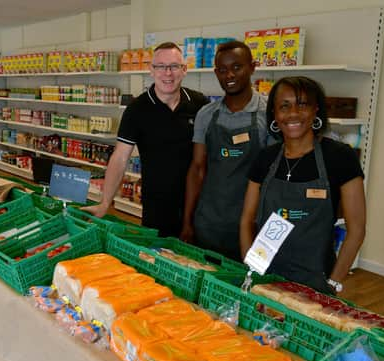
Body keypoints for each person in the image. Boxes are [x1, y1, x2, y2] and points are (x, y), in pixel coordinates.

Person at [240, 76, 366, 294]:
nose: (293, 113)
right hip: (266, 279)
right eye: (284, 106)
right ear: (274, 115)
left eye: (302, 104)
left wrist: (333, 283)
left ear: (316, 109)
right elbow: (246, 219)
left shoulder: (339, 157)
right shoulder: (266, 159)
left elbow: (357, 229)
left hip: (316, 281)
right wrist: (250, 270)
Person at [83, 42, 208, 237]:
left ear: (184, 70)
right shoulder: (137, 109)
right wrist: (105, 203)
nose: (168, 73)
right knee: (160, 257)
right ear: (151, 70)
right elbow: (120, 157)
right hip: (157, 204)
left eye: (174, 66)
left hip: (198, 202)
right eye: (160, 66)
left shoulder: (199, 103)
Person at [181, 41, 269, 260]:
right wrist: (187, 222)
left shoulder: (268, 114)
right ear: (216, 73)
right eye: (222, 70)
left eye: (237, 67)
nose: (229, 75)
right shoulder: (206, 114)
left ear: (252, 67)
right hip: (209, 221)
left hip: (251, 226)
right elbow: (197, 169)